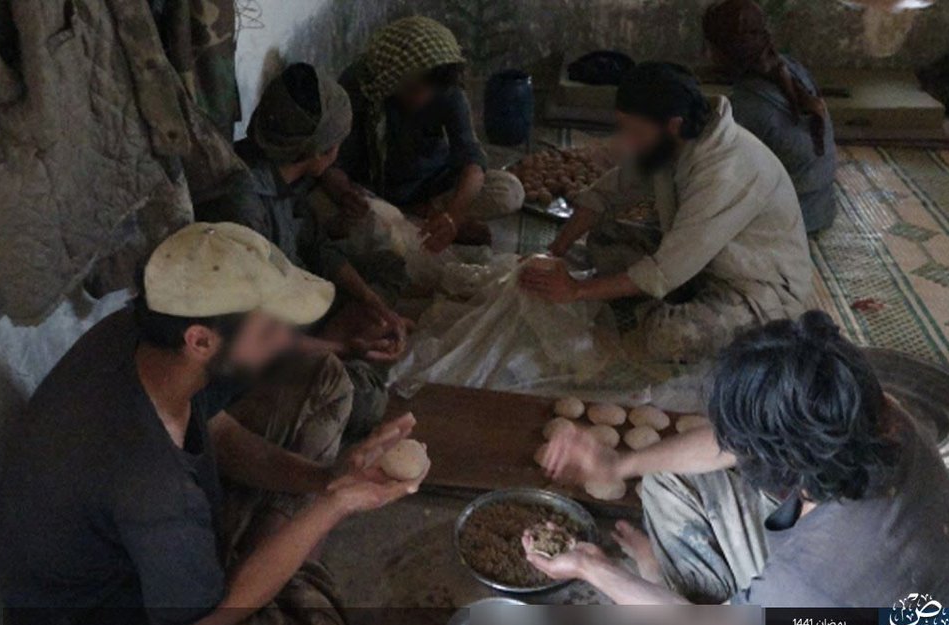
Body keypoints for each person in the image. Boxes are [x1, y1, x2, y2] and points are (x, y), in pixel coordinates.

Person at [0, 223, 429, 625]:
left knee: (324, 379)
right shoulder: (152, 482)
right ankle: (275, 570)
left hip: (153, 540)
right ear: (200, 341)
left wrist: (326, 479)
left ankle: (270, 564)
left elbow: (216, 433)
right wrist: (336, 505)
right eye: (272, 330)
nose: (286, 339)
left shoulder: (146, 334)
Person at [527, 311, 949, 625]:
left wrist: (591, 566)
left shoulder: (831, 564)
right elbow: (732, 442)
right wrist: (619, 464)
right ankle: (738, 616)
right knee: (670, 480)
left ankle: (730, 620)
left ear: (790, 459)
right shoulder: (873, 413)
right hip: (854, 599)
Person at [522, 62, 813, 363]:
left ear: (673, 124)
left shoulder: (725, 173)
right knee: (606, 239)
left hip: (756, 288)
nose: (627, 142)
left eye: (635, 132)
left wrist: (577, 291)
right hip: (701, 266)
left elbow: (666, 269)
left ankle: (666, 311)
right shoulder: (672, 142)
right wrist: (555, 250)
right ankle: (667, 301)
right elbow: (604, 194)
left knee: (668, 338)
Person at [196, 62, 411, 360]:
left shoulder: (285, 171)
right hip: (263, 325)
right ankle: (338, 341)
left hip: (295, 291)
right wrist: (343, 347)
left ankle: (350, 326)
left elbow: (315, 245)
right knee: (361, 390)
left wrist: (371, 301)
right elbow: (249, 324)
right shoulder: (241, 204)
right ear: (323, 151)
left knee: (389, 267)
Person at [333, 16, 525, 252]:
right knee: (322, 212)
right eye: (412, 89)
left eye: (428, 92)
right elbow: (335, 163)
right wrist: (345, 195)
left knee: (509, 190)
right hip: (371, 192)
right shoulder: (359, 85)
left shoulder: (446, 89)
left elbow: (471, 161)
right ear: (393, 75)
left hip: (430, 188)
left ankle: (420, 219)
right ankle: (414, 222)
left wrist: (453, 216)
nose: (421, 99)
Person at [703, 0, 837, 234]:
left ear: (720, 51)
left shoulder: (746, 106)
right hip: (822, 205)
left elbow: (721, 174)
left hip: (796, 220)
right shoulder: (790, 68)